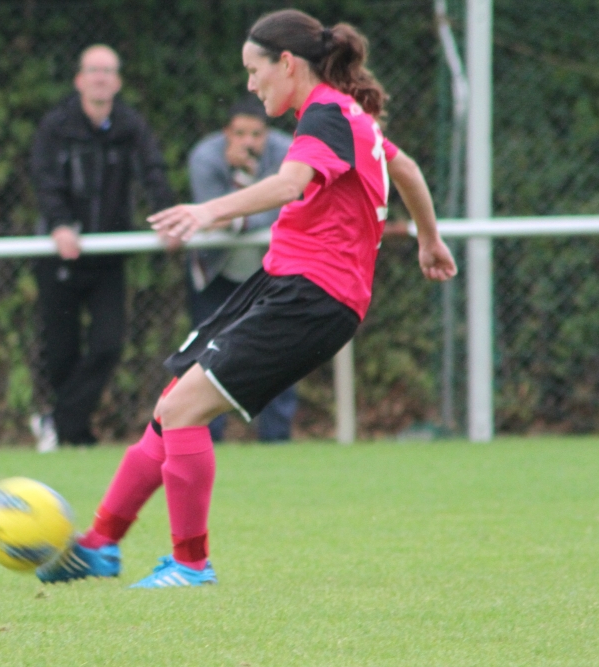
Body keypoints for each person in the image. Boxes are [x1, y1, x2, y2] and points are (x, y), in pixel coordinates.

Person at [36, 9, 457, 587]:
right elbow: (402, 166)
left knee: (183, 412)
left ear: (287, 64)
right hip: (283, 285)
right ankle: (101, 544)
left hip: (311, 297)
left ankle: (190, 565)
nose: (251, 85)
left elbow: (290, 184)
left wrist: (207, 210)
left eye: (255, 71)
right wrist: (429, 239)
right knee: (169, 408)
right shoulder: (341, 115)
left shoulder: (327, 114)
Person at [29, 45, 174, 452]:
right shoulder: (57, 126)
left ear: (118, 81)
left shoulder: (130, 126)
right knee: (61, 351)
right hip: (61, 256)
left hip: (107, 259)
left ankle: (57, 422)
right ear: (79, 79)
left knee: (108, 345)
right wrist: (60, 225)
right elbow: (44, 178)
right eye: (93, 70)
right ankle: (73, 433)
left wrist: (167, 215)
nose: (100, 77)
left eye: (108, 71)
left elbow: (153, 172)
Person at [187, 95, 299, 443]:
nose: (248, 142)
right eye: (240, 134)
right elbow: (212, 215)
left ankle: (277, 441)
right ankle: (207, 441)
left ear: (267, 134)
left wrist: (240, 217)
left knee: (279, 353)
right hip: (217, 275)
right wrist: (241, 180)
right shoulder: (205, 157)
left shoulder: (287, 153)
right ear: (226, 133)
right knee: (210, 358)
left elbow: (288, 206)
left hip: (272, 272)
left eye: (256, 134)